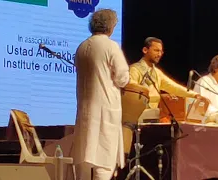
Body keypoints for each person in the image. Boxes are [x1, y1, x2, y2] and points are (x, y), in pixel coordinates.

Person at [72, 9, 130, 180]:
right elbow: (122, 77)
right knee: (103, 162)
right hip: (105, 110)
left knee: (85, 158)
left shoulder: (81, 47)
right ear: (110, 26)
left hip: (85, 112)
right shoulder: (110, 46)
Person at [129, 37, 209, 109]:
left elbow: (173, 87)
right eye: (156, 50)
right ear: (145, 50)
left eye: (161, 51)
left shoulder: (157, 72)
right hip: (135, 115)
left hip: (152, 114)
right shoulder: (135, 69)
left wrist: (194, 95)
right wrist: (160, 97)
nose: (159, 54)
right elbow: (132, 93)